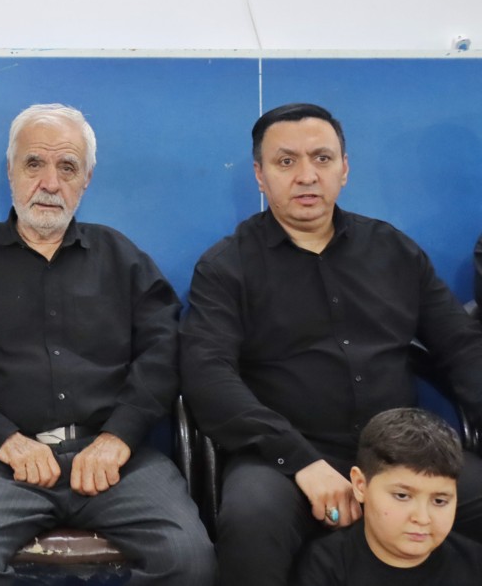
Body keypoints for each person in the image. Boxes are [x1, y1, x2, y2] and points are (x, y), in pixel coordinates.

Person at [0, 103, 215, 586]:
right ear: (11, 171)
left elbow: (165, 348)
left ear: (86, 180)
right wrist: (3, 438)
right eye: (34, 164)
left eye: (67, 167)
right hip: (1, 465)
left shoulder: (120, 257)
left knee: (189, 557)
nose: (49, 183)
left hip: (116, 462)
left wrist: (118, 437)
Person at [180, 102, 482, 586]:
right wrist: (301, 461)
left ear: (344, 168)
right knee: (251, 520)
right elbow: (207, 376)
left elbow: (462, 348)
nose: (306, 175)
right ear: (260, 175)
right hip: (284, 459)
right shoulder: (226, 267)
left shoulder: (393, 251)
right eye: (286, 161)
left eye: (321, 158)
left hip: (402, 452)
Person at [291, 408, 482, 585]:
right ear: (360, 485)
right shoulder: (324, 566)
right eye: (402, 496)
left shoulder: (473, 565)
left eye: (439, 501)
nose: (422, 518)